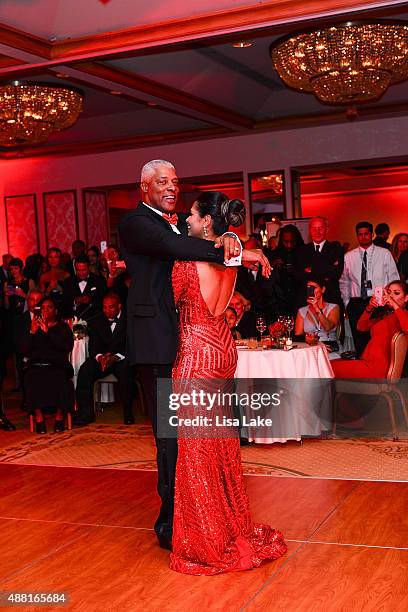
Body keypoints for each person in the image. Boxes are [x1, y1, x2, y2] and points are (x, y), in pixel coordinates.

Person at [119, 159, 270, 551]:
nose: (172, 188)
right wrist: (234, 250)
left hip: (191, 346)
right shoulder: (136, 223)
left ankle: (187, 520)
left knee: (195, 438)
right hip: (157, 343)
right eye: (162, 182)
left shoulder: (184, 236)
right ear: (144, 188)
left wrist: (233, 246)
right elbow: (171, 246)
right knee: (172, 439)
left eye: (175, 182)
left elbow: (183, 256)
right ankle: (174, 521)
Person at [169, 191, 286, 575]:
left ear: (206, 222)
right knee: (220, 445)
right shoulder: (231, 252)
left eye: (192, 214)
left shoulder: (189, 258)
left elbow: (168, 299)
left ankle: (207, 539)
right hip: (223, 349)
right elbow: (226, 261)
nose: (186, 218)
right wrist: (238, 244)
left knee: (197, 451)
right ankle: (229, 525)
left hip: (198, 353)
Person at [74, 293, 135, 426]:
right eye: (105, 307)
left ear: (119, 306)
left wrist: (115, 357)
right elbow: (93, 346)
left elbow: (133, 345)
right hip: (104, 359)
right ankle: (86, 413)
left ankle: (128, 412)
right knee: (85, 369)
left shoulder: (130, 320)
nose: (107, 311)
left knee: (126, 370)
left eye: (111, 307)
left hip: (122, 358)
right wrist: (100, 357)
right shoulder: (97, 320)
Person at [339, 221, 399, 355]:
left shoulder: (384, 253)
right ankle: (363, 368)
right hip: (356, 302)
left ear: (371, 234)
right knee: (359, 340)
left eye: (366, 234)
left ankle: (378, 370)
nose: (363, 237)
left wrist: (391, 302)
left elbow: (393, 277)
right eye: (360, 234)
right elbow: (344, 282)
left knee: (378, 338)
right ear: (357, 236)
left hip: (378, 302)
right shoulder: (349, 256)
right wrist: (347, 303)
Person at [332, 280, 408, 378]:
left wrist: (394, 304)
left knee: (327, 367)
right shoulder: (385, 316)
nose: (391, 296)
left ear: (406, 298)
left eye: (396, 293)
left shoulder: (403, 315)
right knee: (328, 365)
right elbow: (361, 326)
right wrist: (370, 307)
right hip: (367, 362)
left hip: (377, 368)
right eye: (388, 293)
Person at [21, 297, 74, 433]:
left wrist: (48, 333)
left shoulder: (63, 327)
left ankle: (59, 417)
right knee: (30, 377)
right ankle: (39, 418)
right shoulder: (34, 327)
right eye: (43, 308)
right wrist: (32, 332)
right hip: (37, 365)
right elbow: (25, 351)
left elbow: (66, 346)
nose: (45, 310)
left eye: (49, 307)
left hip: (57, 365)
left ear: (55, 311)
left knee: (60, 377)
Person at [294, 216, 344, 309]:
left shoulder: (335, 248)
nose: (317, 232)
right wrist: (326, 267)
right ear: (310, 230)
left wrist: (311, 269)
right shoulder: (302, 250)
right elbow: (298, 276)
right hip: (307, 302)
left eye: (320, 228)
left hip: (331, 301)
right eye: (314, 228)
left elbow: (335, 273)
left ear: (327, 230)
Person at [295, 277, 341, 359]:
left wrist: (316, 308)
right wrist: (306, 338)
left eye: (314, 287)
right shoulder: (302, 311)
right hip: (311, 349)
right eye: (309, 288)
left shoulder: (334, 307)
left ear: (323, 290)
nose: (311, 291)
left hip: (330, 350)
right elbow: (298, 335)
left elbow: (328, 327)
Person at [62, 256, 106, 321]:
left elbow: (103, 302)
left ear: (89, 268)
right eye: (78, 270)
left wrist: (90, 301)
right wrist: (74, 302)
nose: (81, 273)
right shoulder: (68, 282)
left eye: (84, 270)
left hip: (94, 321)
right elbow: (64, 304)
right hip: (74, 321)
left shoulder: (99, 281)